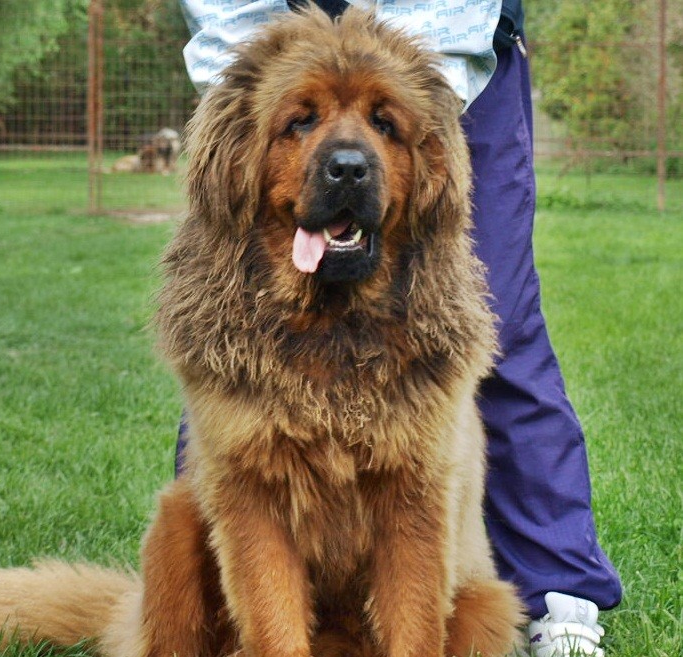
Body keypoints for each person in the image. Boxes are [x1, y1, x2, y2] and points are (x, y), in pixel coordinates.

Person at [175, 1, 623, 655]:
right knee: (232, 364)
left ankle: (560, 593)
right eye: (306, 121)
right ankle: (219, 614)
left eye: (378, 126)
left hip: (453, 44)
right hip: (266, 48)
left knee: (503, 321)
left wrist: (416, 90)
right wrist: (252, 79)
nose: (348, 155)